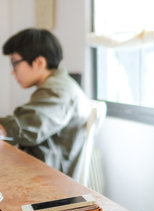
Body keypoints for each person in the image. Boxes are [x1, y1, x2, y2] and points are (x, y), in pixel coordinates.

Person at [0, 28, 91, 177]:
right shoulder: (59, 85)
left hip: (52, 184)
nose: (13, 71)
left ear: (39, 62)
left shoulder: (59, 91)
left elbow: (23, 125)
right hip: (44, 175)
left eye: (15, 63)